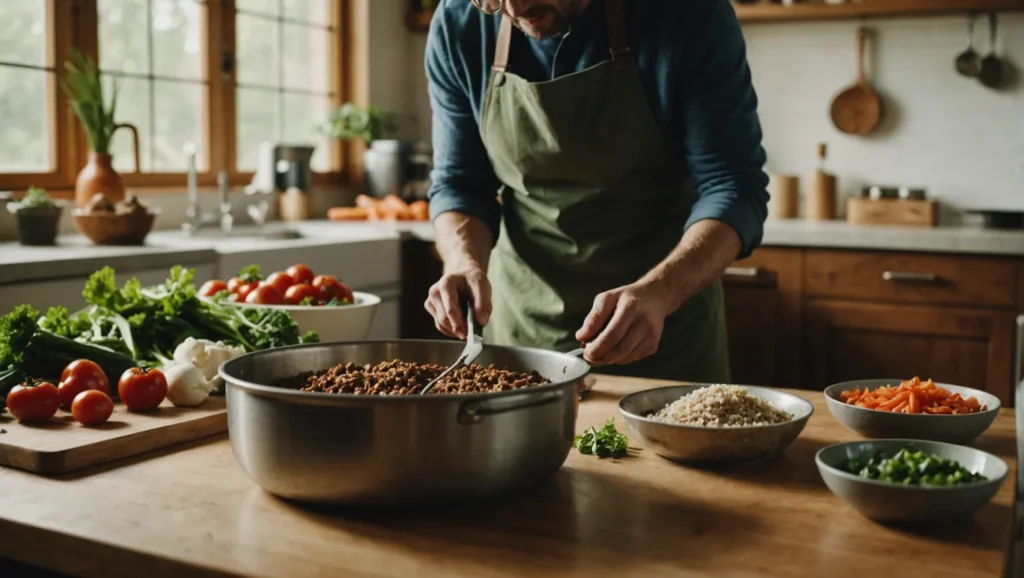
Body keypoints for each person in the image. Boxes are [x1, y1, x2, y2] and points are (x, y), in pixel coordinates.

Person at [423, 0, 769, 383]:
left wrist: (661, 291)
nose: (516, 8)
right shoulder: (459, 23)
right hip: (522, 337)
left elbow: (733, 185)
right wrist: (462, 261)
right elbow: (460, 184)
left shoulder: (689, 13)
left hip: (666, 331)